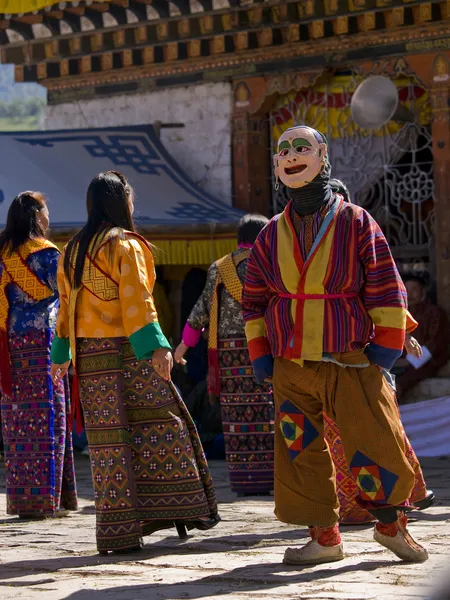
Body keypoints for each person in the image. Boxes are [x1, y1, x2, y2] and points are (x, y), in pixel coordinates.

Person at [242, 125, 429, 565]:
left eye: (301, 147)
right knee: (299, 447)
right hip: (292, 362)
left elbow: (385, 285)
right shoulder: (270, 233)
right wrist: (260, 353)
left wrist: (383, 350)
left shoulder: (356, 220)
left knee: (376, 440)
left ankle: (391, 527)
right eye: (283, 150)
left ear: (322, 156)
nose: (291, 155)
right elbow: (254, 300)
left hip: (351, 357)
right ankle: (324, 538)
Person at [50, 170, 220, 554]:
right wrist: (157, 349)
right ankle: (173, 506)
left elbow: (66, 309)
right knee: (165, 424)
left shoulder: (72, 249)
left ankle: (118, 530)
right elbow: (138, 300)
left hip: (91, 360)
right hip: (130, 352)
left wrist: (60, 355)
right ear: (121, 201)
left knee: (108, 442)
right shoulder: (125, 245)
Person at [326, 179, 434, 524]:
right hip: (325, 353)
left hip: (367, 351)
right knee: (339, 432)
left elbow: (386, 289)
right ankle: (356, 504)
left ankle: (407, 493)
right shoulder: (303, 248)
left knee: (382, 424)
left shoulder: (359, 236)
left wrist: (399, 334)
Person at [174, 214, 274, 496]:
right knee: (265, 409)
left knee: (234, 414)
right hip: (262, 348)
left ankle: (244, 480)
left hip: (228, 354)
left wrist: (182, 347)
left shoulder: (220, 268)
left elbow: (200, 312)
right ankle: (268, 476)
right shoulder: (271, 265)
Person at [0, 192, 77, 518]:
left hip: (10, 349)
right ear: (36, 216)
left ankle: (24, 499)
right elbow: (69, 294)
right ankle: (47, 500)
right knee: (50, 418)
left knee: (17, 425)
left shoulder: (3, 256)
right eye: (45, 211)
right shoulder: (46, 256)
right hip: (45, 345)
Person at [395, 274, 449, 401]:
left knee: (402, 381)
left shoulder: (434, 312)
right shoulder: (402, 313)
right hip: (402, 361)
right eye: (406, 290)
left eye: (414, 289)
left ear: (423, 291)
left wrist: (410, 360)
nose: (410, 294)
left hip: (428, 359)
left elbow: (436, 343)